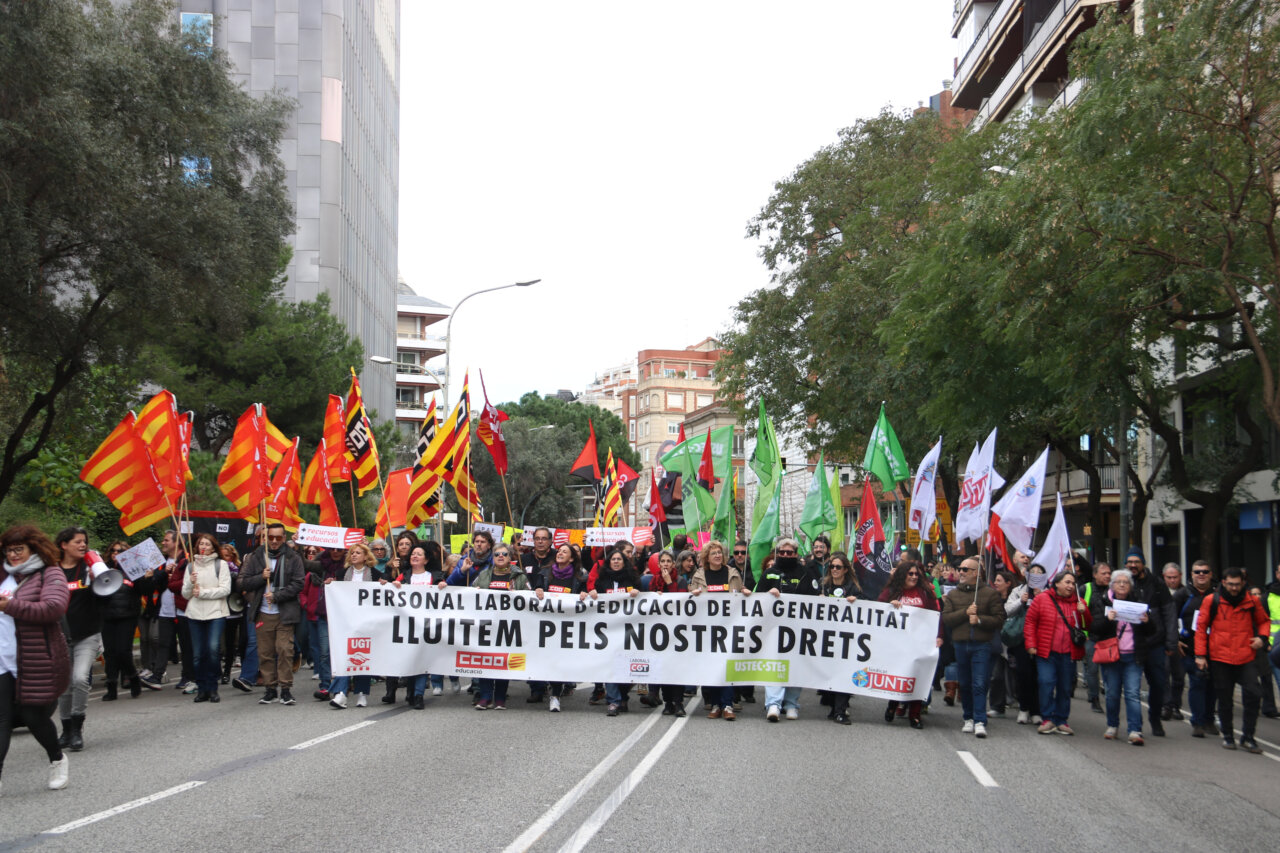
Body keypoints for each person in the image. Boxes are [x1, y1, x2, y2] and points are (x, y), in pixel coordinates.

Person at [0, 525, 72, 792]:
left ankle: (57, 759)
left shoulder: (49, 573)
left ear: (34, 548)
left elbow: (53, 608)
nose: (13, 555)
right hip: (2, 659)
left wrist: (11, 606)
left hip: (35, 660)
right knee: (2, 719)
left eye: (19, 549)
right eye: (8, 551)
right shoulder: (4, 576)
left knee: (33, 717)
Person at [1194, 566, 1270, 753]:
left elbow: (1264, 621)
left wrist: (1262, 638)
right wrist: (1200, 655)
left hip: (1246, 656)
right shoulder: (1212, 600)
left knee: (1254, 693)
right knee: (1225, 699)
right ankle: (1228, 736)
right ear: (1223, 583)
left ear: (1243, 583)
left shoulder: (1252, 601)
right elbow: (1201, 628)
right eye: (1230, 584)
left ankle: (1248, 737)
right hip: (1220, 657)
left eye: (1237, 584)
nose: (1234, 588)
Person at [238, 523, 306, 706]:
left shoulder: (293, 557)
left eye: (278, 537)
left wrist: (277, 596)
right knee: (265, 652)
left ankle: (286, 689)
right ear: (266, 538)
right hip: (262, 613)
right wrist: (261, 577)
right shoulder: (256, 556)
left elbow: (299, 583)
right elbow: (242, 582)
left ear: (284, 538)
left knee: (284, 650)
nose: (274, 541)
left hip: (285, 612)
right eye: (271, 537)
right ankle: (270, 689)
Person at [940, 558, 1005, 738]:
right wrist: (965, 613)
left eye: (965, 569)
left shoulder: (990, 594)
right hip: (960, 644)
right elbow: (947, 618)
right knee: (965, 683)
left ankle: (980, 720)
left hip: (981, 644)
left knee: (979, 683)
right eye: (960, 569)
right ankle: (968, 717)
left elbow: (999, 619)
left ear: (976, 573)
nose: (961, 572)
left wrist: (980, 620)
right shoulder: (953, 595)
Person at [758, 537, 821, 721]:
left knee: (795, 665)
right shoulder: (769, 573)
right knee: (774, 664)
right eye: (782, 552)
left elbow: (814, 598)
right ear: (777, 554)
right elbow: (758, 597)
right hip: (774, 629)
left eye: (789, 552)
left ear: (795, 554)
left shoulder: (805, 573)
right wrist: (768, 595)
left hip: (798, 629)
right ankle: (773, 704)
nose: (786, 555)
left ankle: (791, 704)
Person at [1090, 569, 1154, 745]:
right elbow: (1094, 628)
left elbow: (1151, 631)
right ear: (1112, 585)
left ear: (1130, 586)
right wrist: (1107, 619)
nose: (1122, 585)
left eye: (1126, 582)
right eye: (1118, 582)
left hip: (1133, 656)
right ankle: (1112, 725)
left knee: (1132, 693)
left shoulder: (1138, 603)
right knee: (1112, 693)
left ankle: (1135, 730)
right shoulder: (1103, 602)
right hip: (1112, 656)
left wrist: (1147, 622)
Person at [1024, 568, 1091, 736]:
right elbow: (1030, 622)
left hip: (1069, 653)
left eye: (1073, 583)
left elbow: (1087, 625)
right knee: (1046, 682)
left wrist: (1084, 612)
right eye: (1067, 582)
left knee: (1065, 687)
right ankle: (1047, 718)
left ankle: (1061, 720)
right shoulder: (1042, 599)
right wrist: (1031, 644)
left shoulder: (1079, 602)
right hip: (1046, 652)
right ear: (1057, 583)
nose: (1071, 586)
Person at [54, 527, 101, 753]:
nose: (83, 545)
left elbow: (106, 599)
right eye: (77, 541)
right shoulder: (52, 570)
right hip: (59, 636)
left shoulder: (91, 568)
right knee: (64, 685)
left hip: (87, 635)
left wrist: (97, 582)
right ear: (64, 545)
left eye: (85, 541)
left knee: (80, 678)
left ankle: (76, 729)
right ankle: (65, 730)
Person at [689, 541, 748, 721]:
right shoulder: (699, 575)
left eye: (719, 553)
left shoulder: (732, 573)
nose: (717, 556)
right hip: (707, 628)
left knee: (726, 666)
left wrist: (745, 592)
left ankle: (727, 705)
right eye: (713, 553)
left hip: (728, 627)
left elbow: (740, 592)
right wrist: (693, 594)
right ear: (706, 557)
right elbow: (690, 595)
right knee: (712, 667)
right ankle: (715, 704)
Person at [879, 561, 942, 730]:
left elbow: (936, 614)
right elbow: (878, 609)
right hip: (898, 643)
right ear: (902, 575)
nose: (914, 577)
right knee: (900, 674)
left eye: (916, 574)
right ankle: (893, 704)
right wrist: (890, 605)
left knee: (918, 676)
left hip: (920, 642)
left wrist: (939, 635)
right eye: (910, 574)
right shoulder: (892, 591)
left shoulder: (925, 592)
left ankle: (915, 714)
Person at [1124, 547, 1176, 737]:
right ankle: (1135, 725)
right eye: (1129, 562)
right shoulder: (1123, 582)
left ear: (1143, 564)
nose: (1133, 565)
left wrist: (1171, 642)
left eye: (1136, 562)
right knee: (1132, 688)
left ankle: (1155, 718)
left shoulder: (1157, 583)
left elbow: (1169, 613)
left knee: (1159, 684)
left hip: (1155, 643)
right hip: (1132, 643)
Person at [471, 544, 528, 710]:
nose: (500, 556)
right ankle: (485, 697)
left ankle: (500, 698)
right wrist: (474, 592)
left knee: (504, 661)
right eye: (497, 554)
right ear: (493, 558)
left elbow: (528, 598)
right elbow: (470, 595)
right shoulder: (483, 575)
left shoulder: (519, 577)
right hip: (487, 625)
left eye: (504, 554)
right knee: (485, 660)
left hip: (509, 626)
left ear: (510, 557)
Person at [99, 540, 157, 700]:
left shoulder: (134, 570)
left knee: (123, 651)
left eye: (120, 551)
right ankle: (111, 687)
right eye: (113, 551)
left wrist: (147, 579)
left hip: (128, 615)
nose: (116, 553)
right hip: (107, 615)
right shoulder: (102, 569)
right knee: (109, 653)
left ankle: (132, 677)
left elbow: (144, 591)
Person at [181, 533, 232, 704]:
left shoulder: (221, 564)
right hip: (195, 614)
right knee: (198, 654)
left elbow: (225, 589)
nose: (203, 547)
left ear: (213, 547)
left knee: (212, 650)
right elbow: (185, 594)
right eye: (201, 544)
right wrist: (190, 582)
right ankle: (201, 688)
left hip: (215, 613)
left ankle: (212, 687)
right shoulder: (191, 566)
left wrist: (203, 593)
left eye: (207, 544)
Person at [533, 544, 584, 712]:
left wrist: (585, 594)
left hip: (567, 626)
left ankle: (555, 695)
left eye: (565, 552)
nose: (560, 553)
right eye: (559, 551)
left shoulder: (580, 576)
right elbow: (535, 589)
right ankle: (542, 687)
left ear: (571, 558)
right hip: (546, 624)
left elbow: (587, 592)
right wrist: (538, 590)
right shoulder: (545, 573)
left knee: (559, 660)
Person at [589, 549, 640, 716]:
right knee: (610, 665)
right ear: (608, 562)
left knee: (624, 666)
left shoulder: (633, 580)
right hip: (607, 631)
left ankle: (623, 696)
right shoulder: (602, 581)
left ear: (624, 562)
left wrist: (638, 593)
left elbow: (644, 600)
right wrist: (592, 593)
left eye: (619, 559)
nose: (616, 561)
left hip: (627, 631)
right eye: (613, 559)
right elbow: (593, 600)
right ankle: (613, 701)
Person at [328, 543, 378, 709]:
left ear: (366, 556)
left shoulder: (376, 575)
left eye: (358, 553)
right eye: (352, 553)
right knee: (345, 655)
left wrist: (385, 584)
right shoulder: (341, 574)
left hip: (366, 621)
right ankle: (341, 693)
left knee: (363, 655)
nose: (354, 555)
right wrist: (331, 585)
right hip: (346, 621)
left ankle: (362, 692)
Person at [1179, 560, 1220, 738]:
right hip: (1190, 648)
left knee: (1213, 686)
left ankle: (1209, 719)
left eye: (1204, 571)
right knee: (1197, 683)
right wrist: (1176, 640)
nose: (1201, 575)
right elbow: (1170, 617)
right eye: (1197, 572)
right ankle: (1197, 722)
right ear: (1191, 574)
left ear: (1210, 574)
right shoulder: (1182, 594)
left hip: (1215, 648)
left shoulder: (1219, 594)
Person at [818, 553, 859, 725]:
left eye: (838, 567)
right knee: (829, 673)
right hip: (826, 637)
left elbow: (866, 606)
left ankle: (840, 711)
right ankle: (833, 705)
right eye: (832, 566)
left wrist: (857, 600)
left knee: (843, 672)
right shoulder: (823, 586)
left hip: (846, 638)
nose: (834, 570)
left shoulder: (853, 588)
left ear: (845, 570)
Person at [645, 550, 687, 716]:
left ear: (673, 563)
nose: (665, 564)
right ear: (659, 564)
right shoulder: (654, 580)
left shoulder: (680, 580)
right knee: (662, 667)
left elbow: (681, 602)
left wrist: (669, 584)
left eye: (669, 561)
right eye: (663, 561)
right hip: (660, 630)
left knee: (676, 667)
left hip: (676, 631)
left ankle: (679, 702)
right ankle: (668, 702)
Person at [1081, 561, 1111, 714]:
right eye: (1103, 573)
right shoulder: (1085, 589)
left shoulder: (1113, 590)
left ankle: (1110, 697)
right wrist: (1083, 634)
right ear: (1095, 575)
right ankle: (1094, 698)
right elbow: (1078, 612)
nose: (1107, 576)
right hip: (1091, 636)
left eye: (1109, 573)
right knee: (1092, 670)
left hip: (1109, 637)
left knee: (1109, 670)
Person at [1162, 562, 1189, 720]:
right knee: (1164, 673)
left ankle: (1176, 706)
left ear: (1180, 576)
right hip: (1164, 640)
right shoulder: (1159, 592)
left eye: (1175, 577)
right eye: (1169, 577)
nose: (1172, 580)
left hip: (1181, 640)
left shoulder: (1186, 594)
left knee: (1179, 676)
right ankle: (1166, 705)